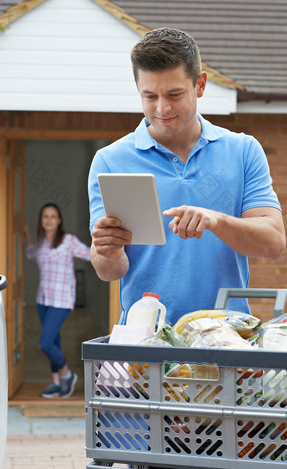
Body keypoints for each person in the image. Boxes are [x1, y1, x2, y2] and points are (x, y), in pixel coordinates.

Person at [88, 27, 286, 326]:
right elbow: (108, 270)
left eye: (174, 94)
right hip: (146, 343)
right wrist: (109, 252)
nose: (161, 108)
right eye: (149, 96)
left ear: (200, 84)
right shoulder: (111, 161)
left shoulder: (243, 151)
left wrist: (216, 220)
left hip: (227, 339)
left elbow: (273, 243)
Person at [25, 202, 91, 398]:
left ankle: (67, 375)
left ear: (59, 220)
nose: (49, 220)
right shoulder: (41, 244)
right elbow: (30, 253)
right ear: (41, 220)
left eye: (53, 216)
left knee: (45, 343)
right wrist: (25, 232)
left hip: (61, 300)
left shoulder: (68, 241)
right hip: (43, 299)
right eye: (45, 216)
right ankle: (56, 383)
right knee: (54, 340)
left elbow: (89, 254)